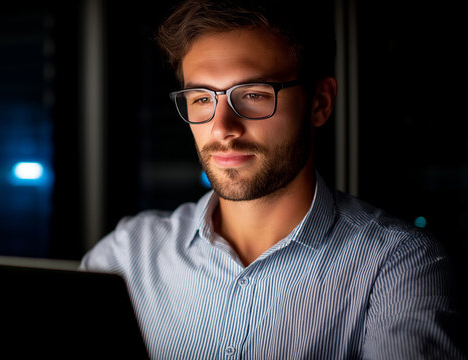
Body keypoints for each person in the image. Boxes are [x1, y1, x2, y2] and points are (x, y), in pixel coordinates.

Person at [80, 0, 464, 358]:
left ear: (320, 103)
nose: (222, 128)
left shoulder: (399, 266)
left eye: (253, 94)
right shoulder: (127, 256)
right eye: (201, 98)